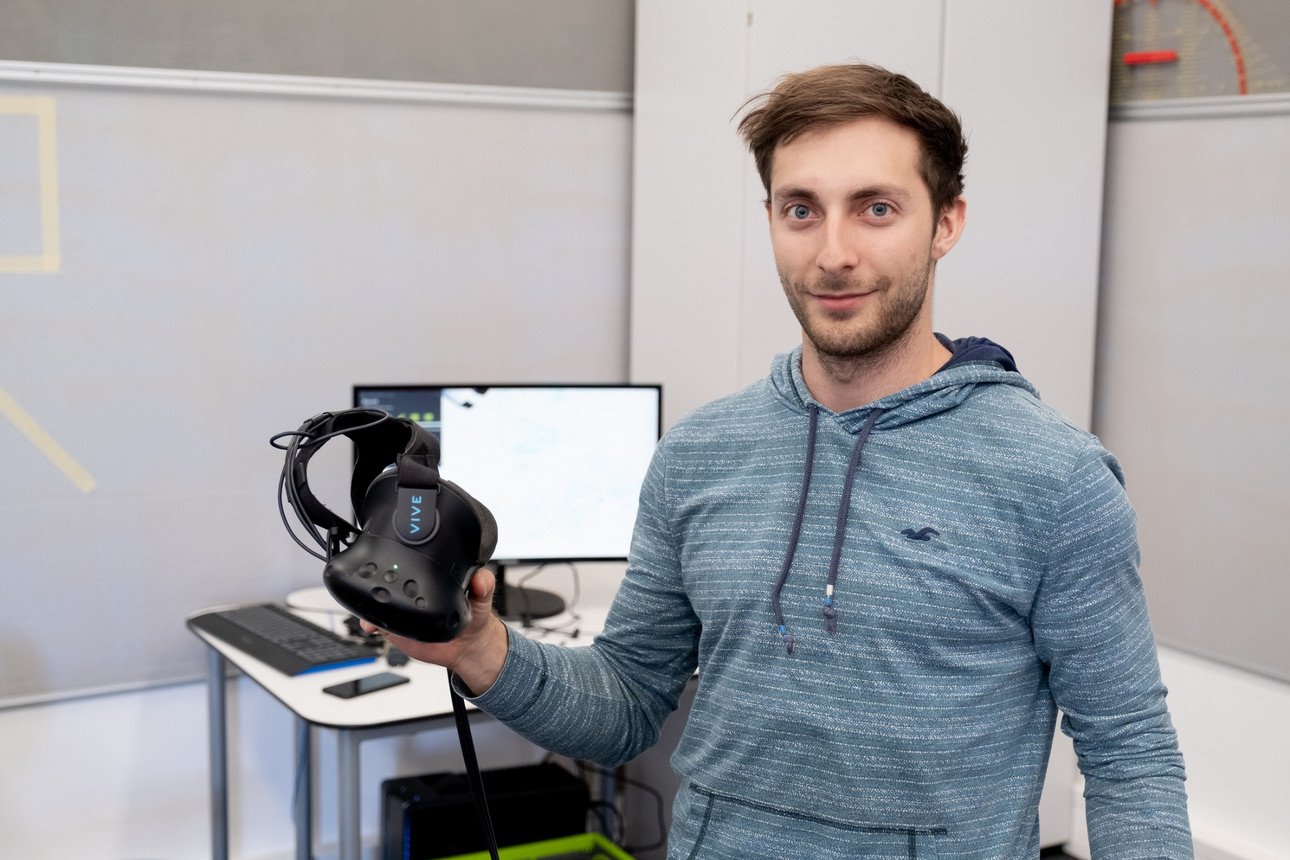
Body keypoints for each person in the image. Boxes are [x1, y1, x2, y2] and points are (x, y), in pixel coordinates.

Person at [367, 63, 1192, 858]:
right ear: (770, 219)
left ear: (946, 222)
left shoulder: (1055, 478)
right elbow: (622, 706)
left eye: (875, 208)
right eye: (801, 210)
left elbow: (1130, 756)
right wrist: (477, 647)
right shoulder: (698, 455)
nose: (833, 252)